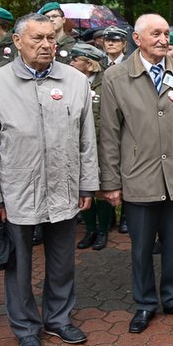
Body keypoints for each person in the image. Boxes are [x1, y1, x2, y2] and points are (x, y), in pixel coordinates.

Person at [0, 13, 99, 346]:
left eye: (50, 38)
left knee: (62, 261)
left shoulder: (74, 80)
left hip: (64, 187)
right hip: (16, 191)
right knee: (19, 266)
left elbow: (87, 139)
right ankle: (26, 327)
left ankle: (58, 318)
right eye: (37, 39)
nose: (46, 45)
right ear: (17, 42)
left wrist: (87, 185)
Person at [99, 14, 173, 332]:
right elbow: (109, 134)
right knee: (142, 246)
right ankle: (145, 303)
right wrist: (110, 181)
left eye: (167, 34)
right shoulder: (116, 77)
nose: (163, 39)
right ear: (137, 38)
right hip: (139, 175)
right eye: (155, 34)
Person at [69, 43, 112, 251]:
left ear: (88, 62)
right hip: (77, 146)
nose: (71, 63)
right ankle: (89, 230)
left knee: (102, 190)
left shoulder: (107, 82)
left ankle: (102, 230)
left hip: (102, 145)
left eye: (75, 59)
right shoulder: (70, 83)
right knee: (83, 188)